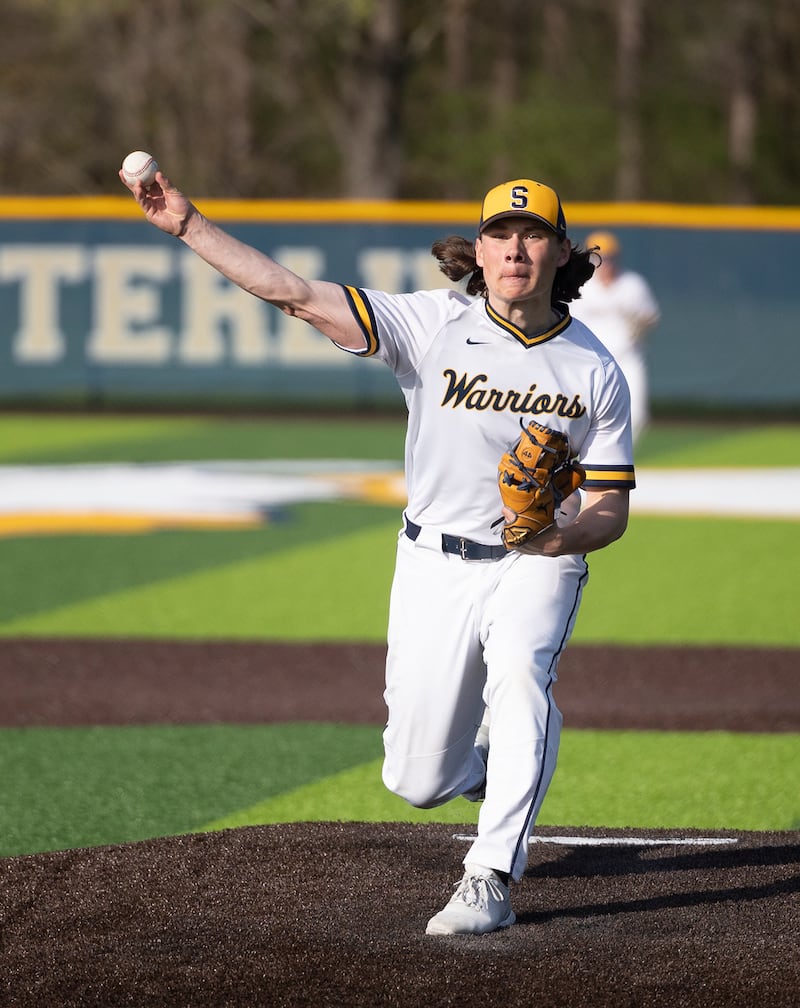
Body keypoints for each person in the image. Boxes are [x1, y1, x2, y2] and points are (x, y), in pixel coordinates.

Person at [121, 170, 635, 936]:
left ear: (561, 252)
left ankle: (489, 875)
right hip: (432, 561)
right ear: (480, 251)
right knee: (417, 778)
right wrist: (191, 225)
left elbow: (611, 508)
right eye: (500, 234)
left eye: (533, 235)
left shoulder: (594, 369)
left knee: (525, 676)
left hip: (536, 560)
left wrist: (555, 537)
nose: (515, 248)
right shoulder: (429, 325)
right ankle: (491, 765)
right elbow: (292, 292)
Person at [570, 230, 660, 443]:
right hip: (588, 359)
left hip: (627, 357)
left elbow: (651, 317)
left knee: (637, 414)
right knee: (580, 412)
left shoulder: (633, 285)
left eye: (610, 257)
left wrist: (642, 323)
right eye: (599, 257)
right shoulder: (580, 286)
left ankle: (621, 459)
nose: (605, 263)